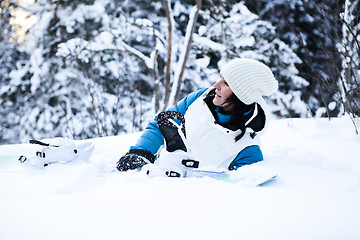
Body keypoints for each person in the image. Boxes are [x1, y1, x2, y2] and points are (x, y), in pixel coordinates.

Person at [116, 58, 278, 173]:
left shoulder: (248, 150)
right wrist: (142, 152)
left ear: (241, 96)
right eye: (220, 78)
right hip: (152, 180)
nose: (216, 85)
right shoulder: (200, 98)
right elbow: (163, 123)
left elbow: (231, 192)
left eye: (226, 83)